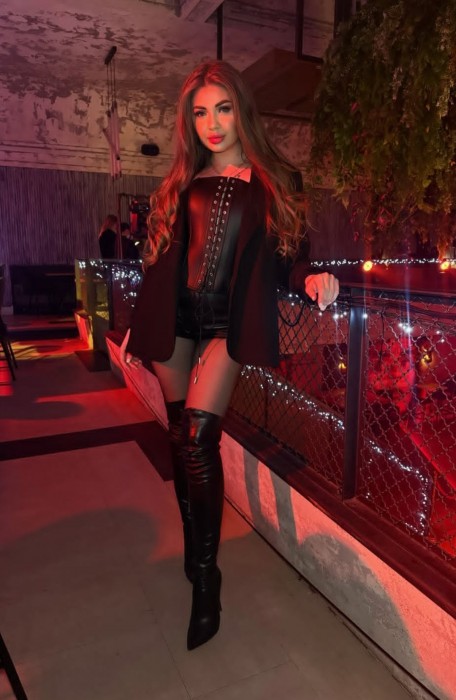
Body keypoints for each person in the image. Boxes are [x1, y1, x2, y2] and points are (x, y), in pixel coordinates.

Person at [121, 60, 339, 650]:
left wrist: (311, 276)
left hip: (226, 324)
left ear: (241, 109)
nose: (212, 124)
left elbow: (290, 254)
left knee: (198, 439)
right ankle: (194, 549)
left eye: (222, 108)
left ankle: (205, 579)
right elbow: (160, 262)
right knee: (178, 439)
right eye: (200, 113)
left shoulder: (274, 179)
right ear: (189, 121)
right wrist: (136, 328)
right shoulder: (183, 179)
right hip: (176, 322)